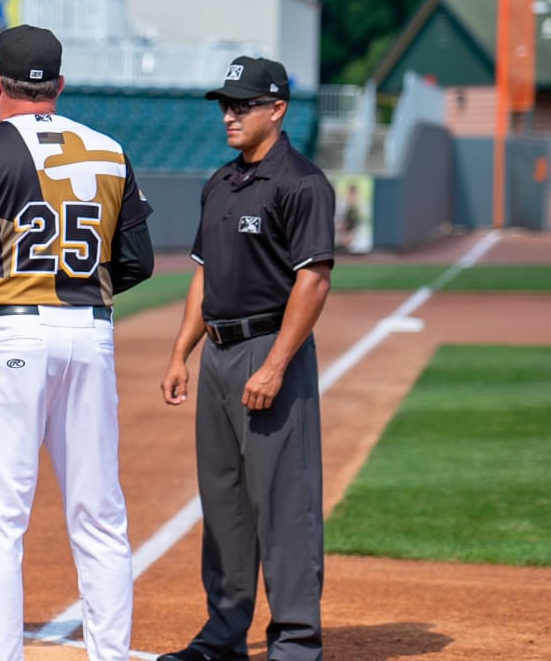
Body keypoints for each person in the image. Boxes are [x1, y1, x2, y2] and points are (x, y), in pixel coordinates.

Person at [0, 24, 157, 661]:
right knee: (99, 513)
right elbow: (138, 261)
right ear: (58, 84)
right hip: (90, 331)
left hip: (12, 331)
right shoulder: (108, 149)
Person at [157, 56, 334, 661]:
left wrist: (277, 365)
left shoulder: (300, 182)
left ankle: (295, 642)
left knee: (285, 501)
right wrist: (182, 353)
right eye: (225, 104)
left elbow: (312, 281)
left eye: (243, 104)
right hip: (219, 356)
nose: (229, 114)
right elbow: (203, 278)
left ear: (277, 109)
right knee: (225, 502)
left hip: (268, 350)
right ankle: (223, 636)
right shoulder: (221, 182)